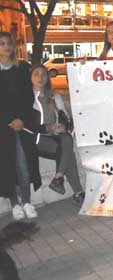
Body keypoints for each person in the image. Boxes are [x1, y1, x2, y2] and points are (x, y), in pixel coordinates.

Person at [30, 65, 84, 205]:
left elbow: (66, 119)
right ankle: (78, 191)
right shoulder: (28, 98)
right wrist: (48, 128)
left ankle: (59, 178)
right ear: (31, 77)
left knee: (66, 138)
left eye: (43, 74)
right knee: (67, 148)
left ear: (48, 77)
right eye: (36, 74)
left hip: (57, 137)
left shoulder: (55, 96)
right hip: (38, 138)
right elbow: (28, 125)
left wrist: (62, 126)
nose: (40, 78)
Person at [0, 32, 40, 219]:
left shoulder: (22, 68)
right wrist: (8, 120)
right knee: (7, 166)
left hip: (22, 124)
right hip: (3, 126)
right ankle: (14, 203)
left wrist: (21, 119)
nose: (6, 47)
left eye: (8, 43)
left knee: (24, 165)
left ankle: (27, 201)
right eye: (2, 44)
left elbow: (28, 96)